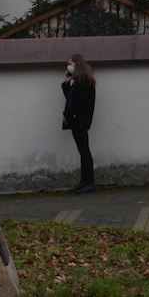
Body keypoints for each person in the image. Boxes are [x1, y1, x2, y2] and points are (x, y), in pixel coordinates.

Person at [61, 54, 97, 194]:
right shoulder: (81, 79)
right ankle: (84, 181)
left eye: (70, 63)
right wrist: (66, 83)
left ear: (77, 63)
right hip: (79, 119)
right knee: (83, 151)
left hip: (79, 119)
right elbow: (71, 97)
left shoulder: (83, 79)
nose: (68, 66)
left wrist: (67, 114)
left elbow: (77, 102)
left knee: (84, 151)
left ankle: (88, 182)